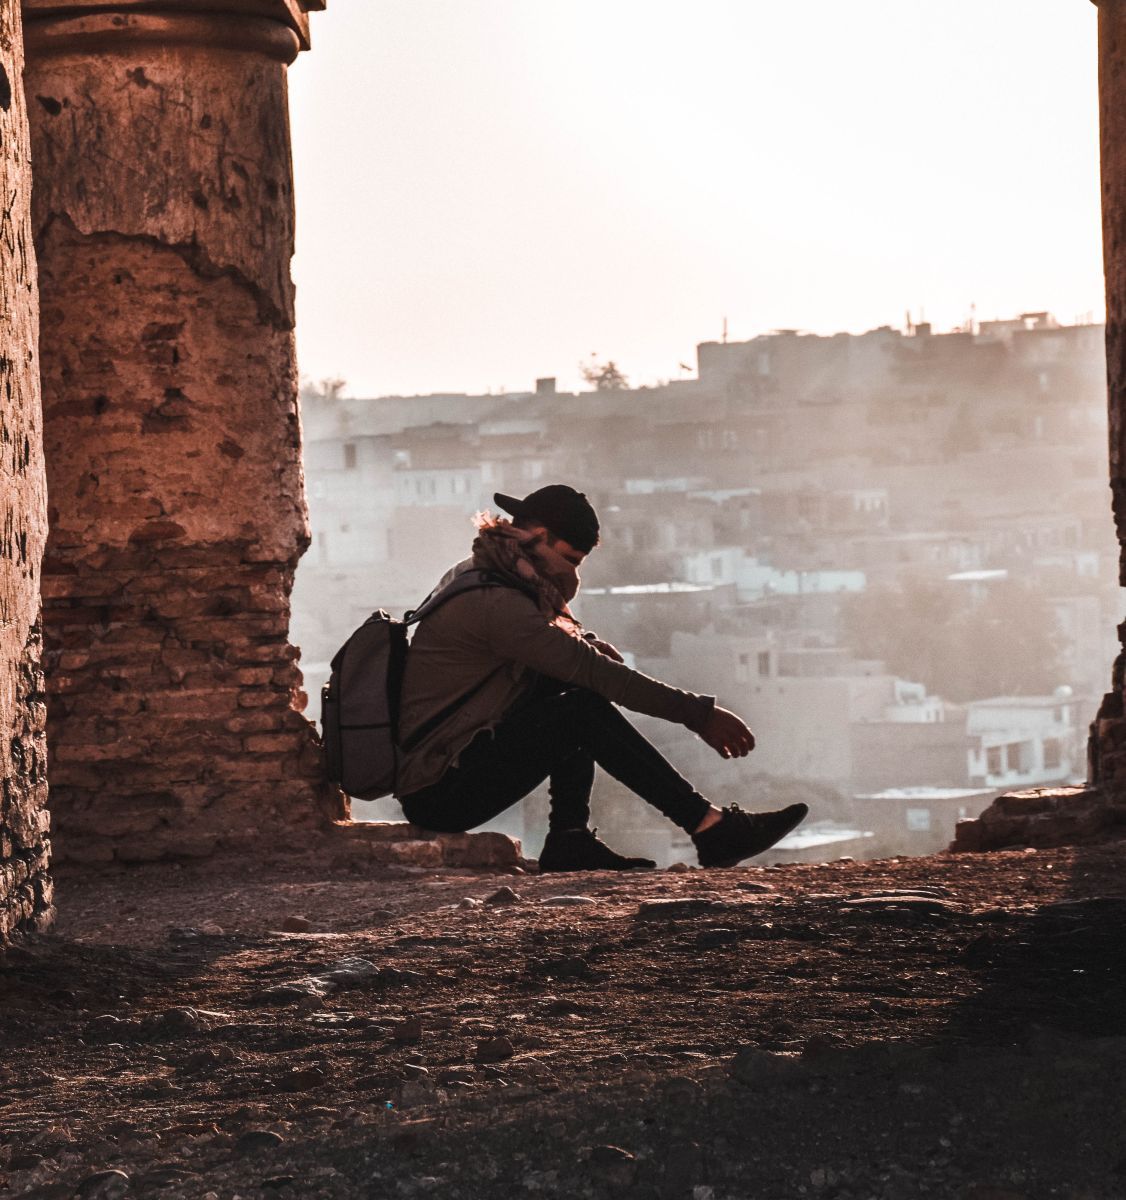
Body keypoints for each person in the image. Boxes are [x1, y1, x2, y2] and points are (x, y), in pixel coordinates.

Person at [395, 484, 808, 871]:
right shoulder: (495, 598)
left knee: (572, 694)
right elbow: (594, 671)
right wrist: (697, 714)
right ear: (538, 536)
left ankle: (570, 839)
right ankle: (708, 827)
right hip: (440, 790)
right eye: (571, 559)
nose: (571, 573)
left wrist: (586, 647)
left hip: (457, 764)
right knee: (578, 707)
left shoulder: (491, 573)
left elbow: (561, 657)